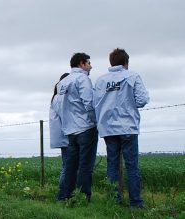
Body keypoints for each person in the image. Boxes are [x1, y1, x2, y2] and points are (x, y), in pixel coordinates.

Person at [93, 48, 149, 208]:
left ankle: (114, 201)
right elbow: (142, 99)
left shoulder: (101, 80)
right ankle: (136, 203)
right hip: (128, 127)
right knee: (131, 165)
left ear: (111, 62)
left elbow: (94, 103)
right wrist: (129, 102)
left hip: (108, 128)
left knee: (112, 165)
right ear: (126, 63)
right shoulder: (132, 76)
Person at [56, 53, 98, 202]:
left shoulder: (63, 82)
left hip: (70, 130)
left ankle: (64, 197)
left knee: (70, 166)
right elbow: (89, 103)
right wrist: (95, 121)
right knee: (85, 166)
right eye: (88, 63)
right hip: (85, 127)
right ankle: (83, 198)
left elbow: (60, 106)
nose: (91, 66)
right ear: (81, 63)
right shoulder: (83, 79)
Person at [49, 73, 69, 194]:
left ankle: (64, 192)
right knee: (67, 166)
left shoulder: (55, 97)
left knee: (66, 165)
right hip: (65, 136)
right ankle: (62, 192)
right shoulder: (58, 98)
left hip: (62, 136)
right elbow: (64, 114)